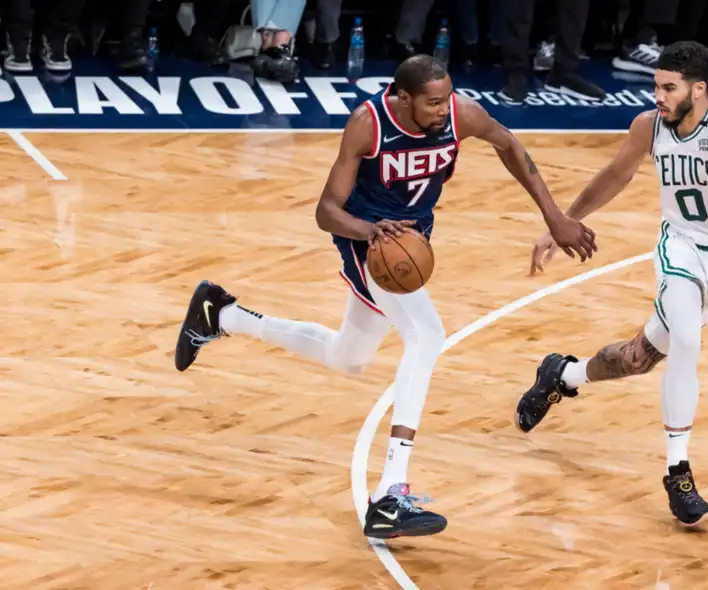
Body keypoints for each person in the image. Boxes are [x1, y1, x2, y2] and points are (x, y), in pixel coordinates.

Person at [173, 55, 598, 540]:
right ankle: (391, 492)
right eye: (433, 102)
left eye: (448, 98)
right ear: (402, 98)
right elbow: (326, 211)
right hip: (368, 241)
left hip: (408, 241)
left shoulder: (460, 113)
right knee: (427, 334)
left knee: (348, 358)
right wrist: (370, 230)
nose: (444, 110)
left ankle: (221, 314)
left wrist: (554, 215)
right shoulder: (367, 125)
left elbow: (508, 144)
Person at [513, 41, 708, 527]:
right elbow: (615, 174)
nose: (659, 96)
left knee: (637, 360)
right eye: (656, 86)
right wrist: (563, 221)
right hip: (680, 250)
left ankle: (561, 376)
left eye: (668, 88)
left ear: (699, 89)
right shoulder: (649, 127)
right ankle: (679, 473)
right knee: (687, 343)